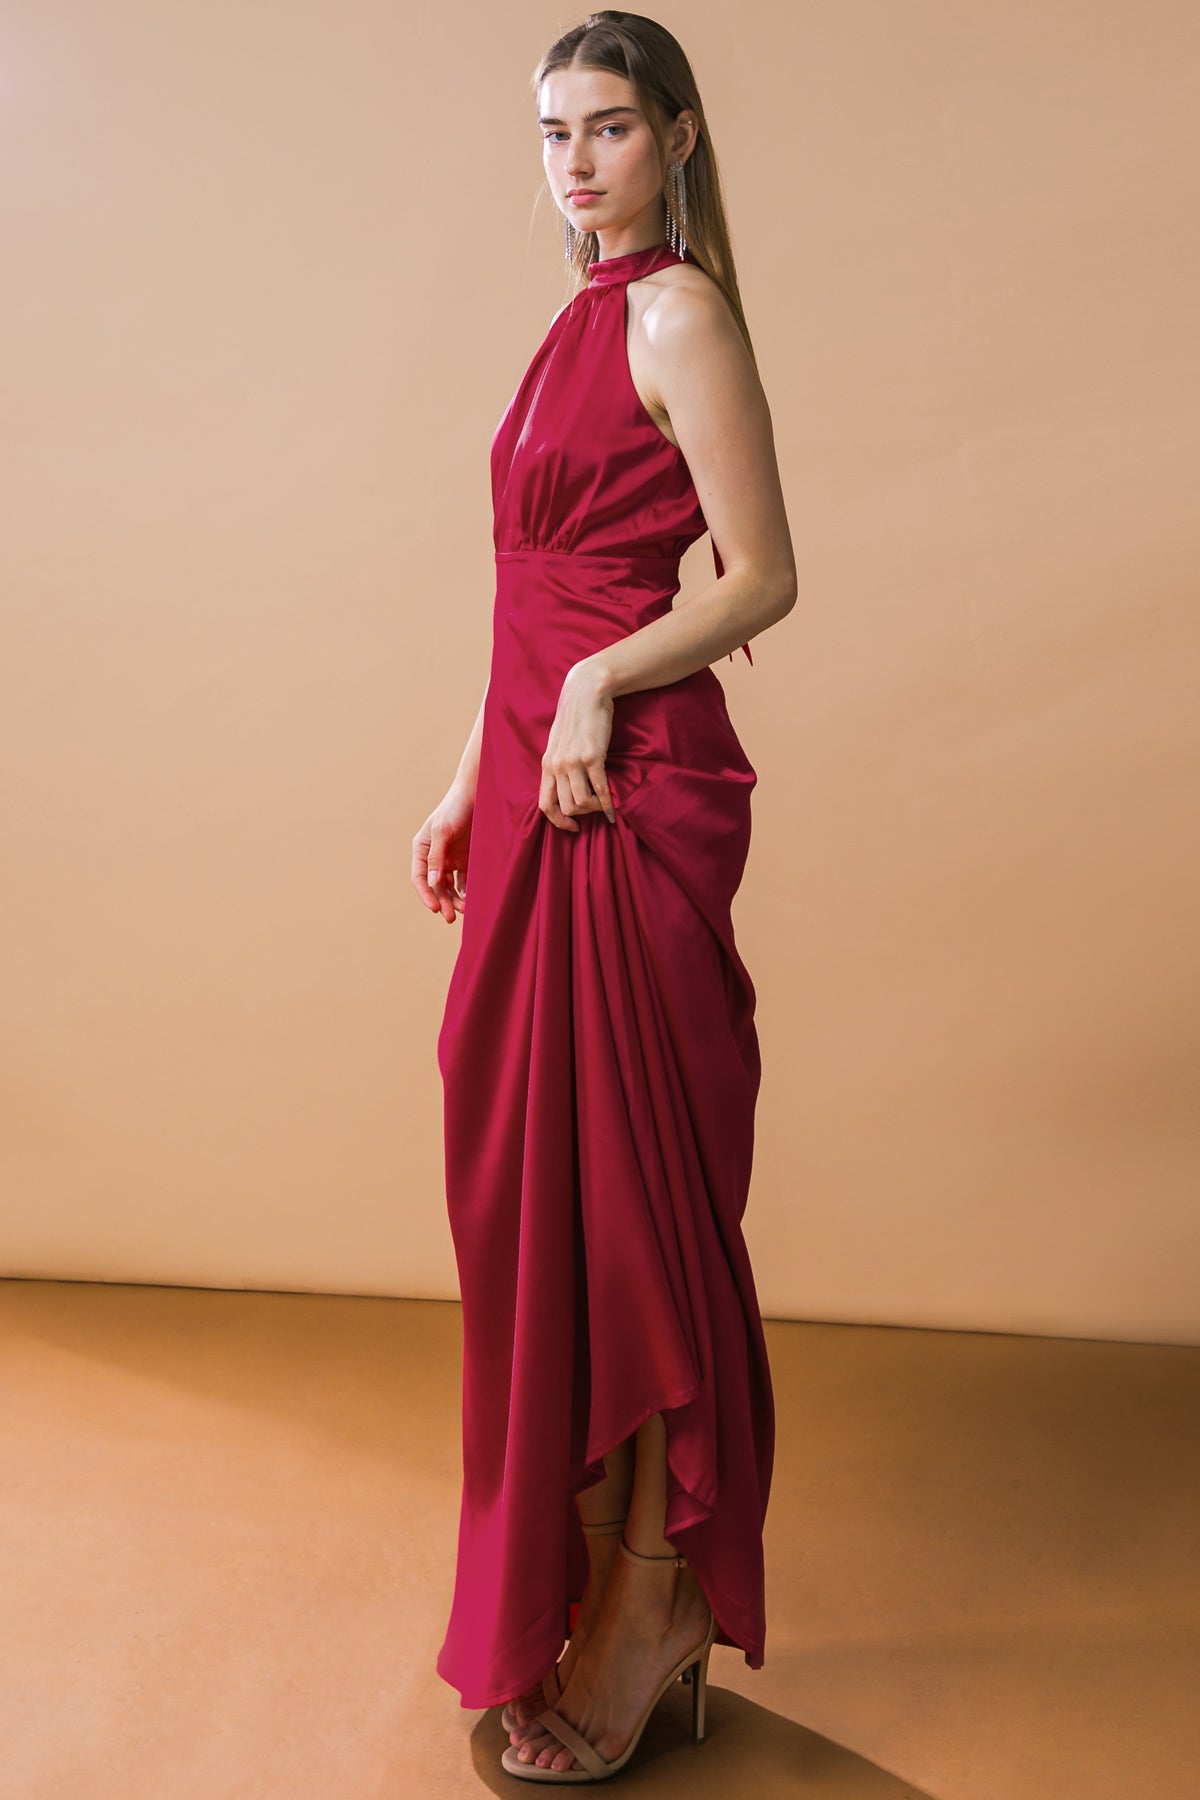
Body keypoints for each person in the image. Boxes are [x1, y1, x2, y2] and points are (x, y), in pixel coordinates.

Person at [412, 11, 797, 1784]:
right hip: (532, 788)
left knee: (632, 1211)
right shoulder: (570, 321)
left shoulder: (677, 313)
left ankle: (652, 1600)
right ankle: (595, 1574)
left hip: (627, 798)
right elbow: (531, 588)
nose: (575, 162)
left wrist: (585, 699)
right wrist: (466, 772)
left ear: (682, 139)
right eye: (553, 132)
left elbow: (764, 576)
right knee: (531, 1200)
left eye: (612, 128)